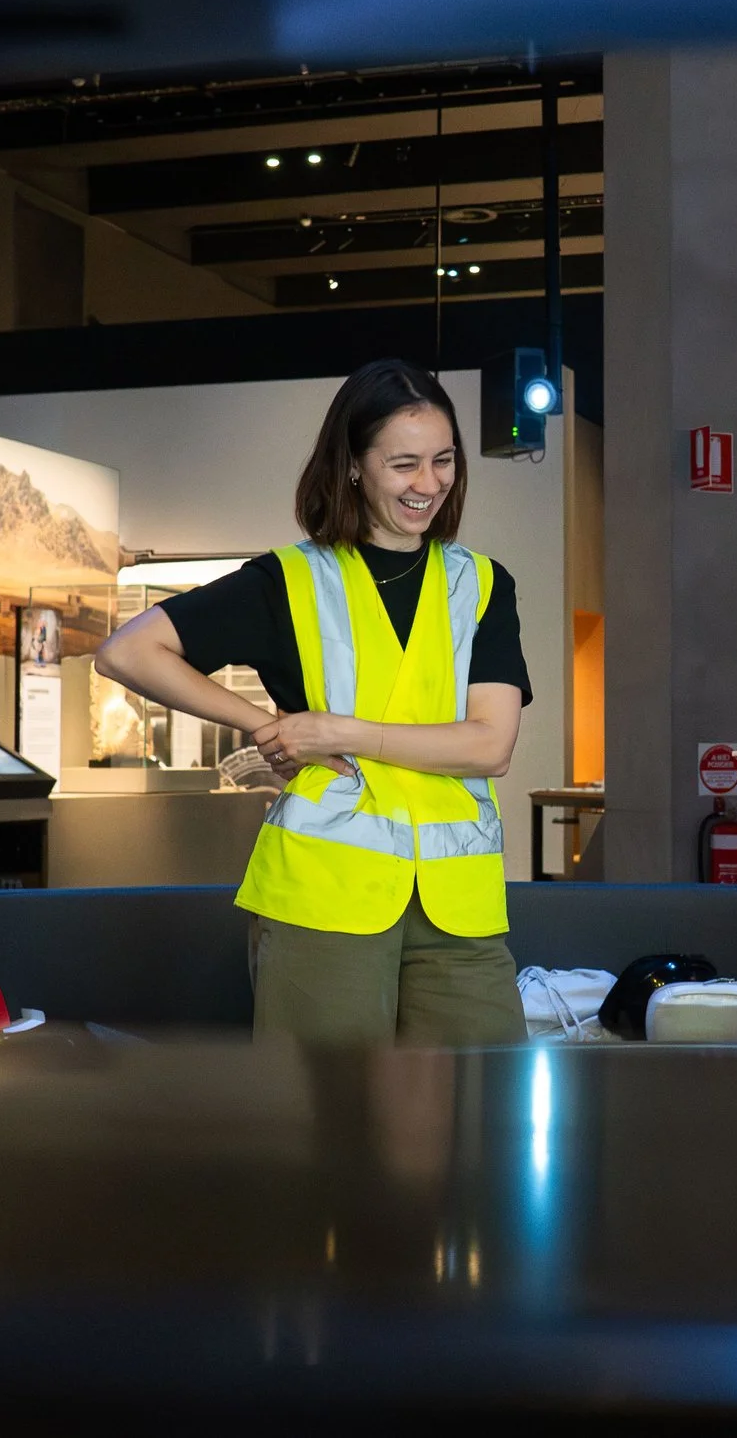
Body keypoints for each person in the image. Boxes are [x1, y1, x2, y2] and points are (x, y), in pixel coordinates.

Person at [93, 359, 533, 1045]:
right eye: (405, 463)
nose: (430, 484)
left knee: (484, 1117)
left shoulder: (479, 585)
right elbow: (126, 651)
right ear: (354, 466)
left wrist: (338, 730)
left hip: (461, 912)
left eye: (443, 461)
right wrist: (267, 727)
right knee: (328, 1130)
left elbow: (490, 744)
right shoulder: (290, 579)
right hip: (322, 896)